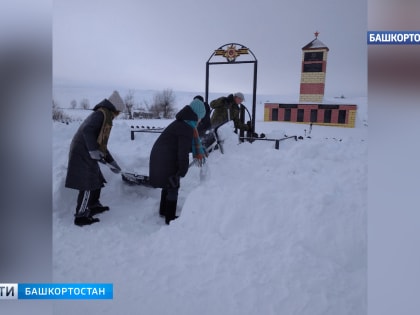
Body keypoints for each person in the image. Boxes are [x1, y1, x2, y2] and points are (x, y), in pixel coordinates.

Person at [65, 91, 124, 226]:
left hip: (87, 150)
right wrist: (92, 151)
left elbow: (100, 144)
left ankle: (93, 205)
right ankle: (81, 216)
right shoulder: (101, 114)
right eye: (118, 112)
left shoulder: (104, 114)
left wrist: (112, 162)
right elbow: (87, 131)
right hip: (82, 151)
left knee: (96, 178)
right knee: (86, 184)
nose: (118, 115)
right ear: (114, 108)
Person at [149, 99, 207, 225]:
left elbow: (182, 145)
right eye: (200, 117)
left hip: (161, 157)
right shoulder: (186, 127)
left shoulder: (182, 123)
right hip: (165, 158)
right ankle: (169, 218)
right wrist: (182, 170)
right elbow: (182, 151)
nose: (200, 120)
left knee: (168, 184)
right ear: (197, 115)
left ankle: (163, 211)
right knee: (173, 185)